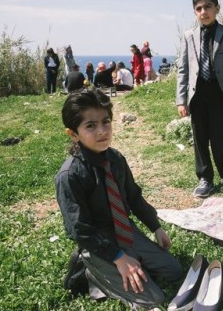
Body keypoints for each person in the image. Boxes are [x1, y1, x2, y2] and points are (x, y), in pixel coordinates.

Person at [55, 89, 183, 309]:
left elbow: (133, 196)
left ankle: (130, 262)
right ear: (73, 134)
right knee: (153, 299)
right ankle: (94, 274)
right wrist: (118, 258)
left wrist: (156, 227)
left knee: (174, 271)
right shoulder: (70, 176)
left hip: (124, 230)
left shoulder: (115, 159)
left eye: (106, 122)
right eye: (90, 126)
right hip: (97, 242)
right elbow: (79, 229)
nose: (102, 131)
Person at [176, 0, 223, 198]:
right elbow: (183, 69)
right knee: (200, 138)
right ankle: (205, 178)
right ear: (194, 12)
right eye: (198, 8)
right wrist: (181, 99)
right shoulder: (189, 36)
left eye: (207, 6)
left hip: (219, 92)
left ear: (217, 8)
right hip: (197, 94)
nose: (203, 12)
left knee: (221, 137)